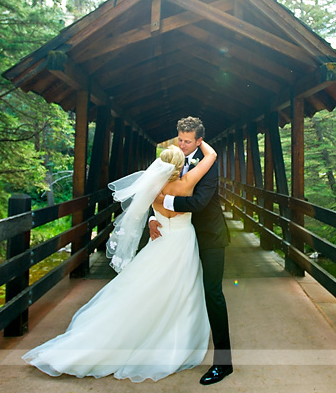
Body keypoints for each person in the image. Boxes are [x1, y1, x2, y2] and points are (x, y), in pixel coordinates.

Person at [22, 141, 218, 382]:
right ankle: (172, 339)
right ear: (180, 166)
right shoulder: (187, 183)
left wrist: (151, 221)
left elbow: (138, 211)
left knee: (144, 290)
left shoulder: (153, 187)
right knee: (183, 290)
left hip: (160, 242)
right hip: (182, 242)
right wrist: (198, 140)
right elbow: (212, 155)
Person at [151, 116, 233, 385]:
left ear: (200, 141)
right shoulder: (170, 157)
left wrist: (166, 200)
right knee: (179, 290)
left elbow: (198, 203)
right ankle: (177, 348)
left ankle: (223, 364)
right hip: (180, 238)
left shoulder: (209, 163)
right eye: (180, 139)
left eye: (188, 141)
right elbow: (148, 191)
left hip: (209, 236)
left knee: (212, 293)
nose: (183, 145)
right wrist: (154, 218)